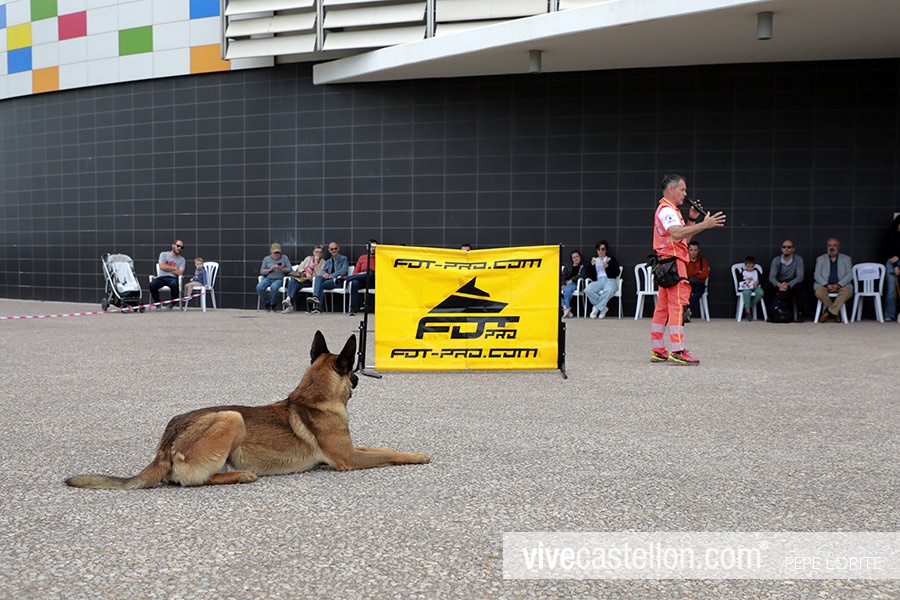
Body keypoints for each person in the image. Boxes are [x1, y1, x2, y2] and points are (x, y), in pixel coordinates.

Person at [650, 174, 726, 365]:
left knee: (663, 308)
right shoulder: (668, 211)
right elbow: (677, 233)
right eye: (682, 189)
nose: (685, 193)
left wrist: (692, 221)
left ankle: (658, 349)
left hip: (664, 265)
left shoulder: (667, 210)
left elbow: (682, 240)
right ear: (671, 190)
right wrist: (705, 224)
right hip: (674, 266)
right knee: (677, 306)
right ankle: (678, 350)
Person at [767, 239, 807, 322]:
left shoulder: (798, 259)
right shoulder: (776, 260)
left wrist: (788, 284)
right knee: (768, 287)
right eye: (784, 247)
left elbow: (800, 277)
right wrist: (779, 285)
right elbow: (772, 277)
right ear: (781, 249)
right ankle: (771, 314)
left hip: (792, 283)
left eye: (789, 247)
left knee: (800, 288)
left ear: (793, 249)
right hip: (779, 283)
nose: (786, 249)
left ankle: (800, 314)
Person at [813, 238, 853, 323]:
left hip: (842, 286)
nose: (831, 247)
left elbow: (849, 275)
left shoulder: (846, 259)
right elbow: (817, 275)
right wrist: (826, 285)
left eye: (834, 245)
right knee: (819, 292)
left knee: (847, 292)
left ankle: (828, 312)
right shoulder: (820, 259)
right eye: (829, 245)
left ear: (838, 247)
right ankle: (835, 313)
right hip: (824, 285)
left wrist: (839, 285)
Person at [281, 246, 326, 313]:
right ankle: (288, 299)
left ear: (322, 254)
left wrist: (316, 263)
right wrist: (306, 272)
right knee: (293, 281)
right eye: (317, 252)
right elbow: (300, 267)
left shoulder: (323, 262)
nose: (318, 254)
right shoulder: (308, 259)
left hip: (311, 282)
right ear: (313, 252)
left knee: (294, 286)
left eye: (320, 252)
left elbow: (319, 274)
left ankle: (290, 305)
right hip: (302, 279)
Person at [309, 242, 349, 313]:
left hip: (338, 281)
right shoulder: (328, 261)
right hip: (328, 281)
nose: (334, 250)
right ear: (329, 250)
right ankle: (315, 297)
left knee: (320, 284)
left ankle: (318, 307)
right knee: (318, 278)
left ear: (338, 248)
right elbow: (323, 271)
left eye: (335, 248)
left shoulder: (344, 259)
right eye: (332, 249)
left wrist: (332, 276)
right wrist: (324, 274)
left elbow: (344, 270)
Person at [584, 241, 620, 319]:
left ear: (606, 250)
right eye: (598, 249)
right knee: (588, 290)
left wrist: (608, 267)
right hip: (599, 281)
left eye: (603, 249)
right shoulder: (594, 260)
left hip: (610, 280)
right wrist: (591, 266)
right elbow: (589, 275)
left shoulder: (611, 259)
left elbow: (617, 272)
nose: (600, 251)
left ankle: (597, 308)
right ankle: (603, 308)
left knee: (609, 290)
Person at [149, 239, 186, 310]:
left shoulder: (182, 260)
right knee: (152, 284)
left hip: (172, 278)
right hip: (161, 277)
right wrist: (175, 268)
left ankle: (172, 303)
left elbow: (180, 273)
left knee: (175, 284)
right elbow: (161, 267)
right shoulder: (163, 254)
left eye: (181, 247)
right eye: (178, 246)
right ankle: (157, 303)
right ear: (173, 245)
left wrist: (167, 267)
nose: (179, 248)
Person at [345, 239, 378, 316]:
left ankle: (346, 278)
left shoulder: (379, 258)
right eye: (371, 247)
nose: (373, 249)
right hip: (362, 280)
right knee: (354, 282)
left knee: (370, 273)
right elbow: (355, 273)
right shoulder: (362, 258)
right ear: (367, 247)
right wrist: (362, 274)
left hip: (374, 280)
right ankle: (353, 309)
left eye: (375, 247)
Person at [256, 243, 291, 312]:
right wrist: (269, 270)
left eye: (278, 253)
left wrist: (282, 269)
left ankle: (273, 304)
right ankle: (267, 303)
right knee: (259, 287)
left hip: (279, 279)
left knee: (274, 287)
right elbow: (262, 272)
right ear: (271, 252)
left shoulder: (284, 258)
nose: (276, 255)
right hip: (268, 278)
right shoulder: (266, 259)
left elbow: (290, 270)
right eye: (275, 253)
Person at [560, 250, 589, 319]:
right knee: (554, 291)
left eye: (577, 256)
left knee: (567, 290)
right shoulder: (568, 266)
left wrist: (572, 279)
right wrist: (563, 284)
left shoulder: (583, 266)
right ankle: (566, 307)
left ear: (580, 257)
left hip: (575, 283)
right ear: (572, 259)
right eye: (574, 257)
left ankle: (566, 307)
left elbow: (583, 275)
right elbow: (563, 276)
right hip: (566, 283)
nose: (576, 258)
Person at [685, 241, 709, 322]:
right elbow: (685, 274)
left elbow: (705, 274)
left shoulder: (703, 261)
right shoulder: (685, 261)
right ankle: (686, 311)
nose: (693, 252)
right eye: (691, 250)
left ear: (698, 251)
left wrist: (692, 275)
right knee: (683, 294)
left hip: (699, 284)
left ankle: (687, 310)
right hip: (688, 283)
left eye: (695, 250)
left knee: (697, 294)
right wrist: (698, 272)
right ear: (688, 250)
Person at [883, 215, 900, 322]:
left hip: (897, 260)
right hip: (891, 263)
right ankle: (889, 314)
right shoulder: (891, 235)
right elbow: (888, 252)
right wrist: (895, 266)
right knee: (891, 290)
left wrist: (898, 258)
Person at [738, 255, 764, 321]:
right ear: (745, 266)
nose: (750, 268)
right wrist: (746, 281)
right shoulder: (743, 272)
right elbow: (740, 281)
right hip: (746, 287)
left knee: (760, 293)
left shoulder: (756, 272)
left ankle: (750, 305)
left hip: (755, 286)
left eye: (752, 267)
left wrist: (757, 283)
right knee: (747, 293)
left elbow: (761, 280)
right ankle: (747, 311)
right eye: (748, 267)